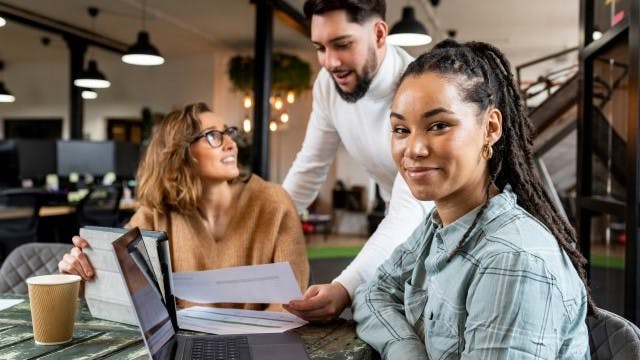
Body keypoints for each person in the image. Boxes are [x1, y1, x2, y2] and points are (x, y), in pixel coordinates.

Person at [353, 40, 593, 359]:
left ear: (490, 127)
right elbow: (373, 294)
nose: (413, 149)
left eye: (438, 126)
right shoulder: (440, 224)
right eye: (400, 129)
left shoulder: (513, 261)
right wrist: (406, 349)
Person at [59, 102, 309, 312]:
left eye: (228, 133)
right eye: (213, 136)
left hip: (259, 349)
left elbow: (289, 304)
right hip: (184, 347)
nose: (231, 144)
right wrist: (77, 272)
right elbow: (113, 280)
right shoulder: (157, 214)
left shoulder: (274, 203)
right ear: (181, 152)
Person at [283, 0, 432, 321]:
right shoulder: (328, 86)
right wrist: (269, 223)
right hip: (401, 220)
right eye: (320, 47)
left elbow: (413, 207)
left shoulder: (417, 90)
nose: (330, 62)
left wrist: (345, 286)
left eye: (342, 44)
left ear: (379, 34)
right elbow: (309, 166)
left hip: (442, 222)